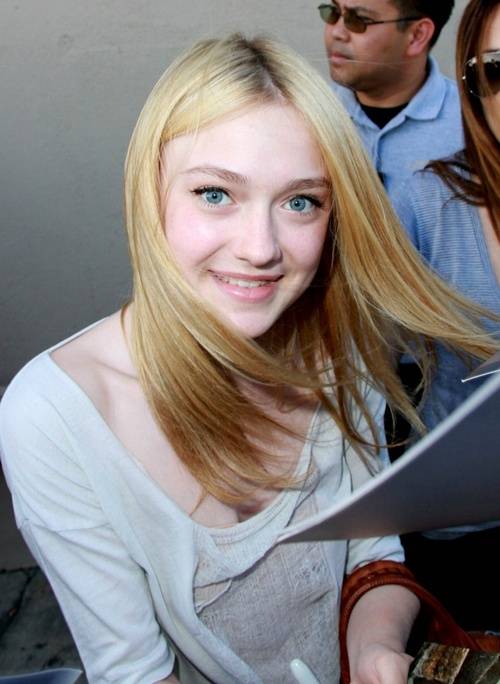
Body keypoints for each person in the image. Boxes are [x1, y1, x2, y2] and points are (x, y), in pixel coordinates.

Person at [0, 34, 494, 684]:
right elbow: (133, 670)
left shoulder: (337, 346)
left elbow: (373, 553)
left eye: (300, 202)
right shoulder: (55, 417)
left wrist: (374, 653)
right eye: (214, 194)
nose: (261, 248)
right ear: (150, 192)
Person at [392, 0, 500, 631]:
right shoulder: (428, 200)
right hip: (466, 532)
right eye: (499, 69)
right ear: (474, 86)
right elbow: (361, 364)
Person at [318, 0, 462, 199]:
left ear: (417, 35)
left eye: (359, 19)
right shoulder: (309, 116)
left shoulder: (474, 126)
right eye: (333, 12)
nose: (337, 32)